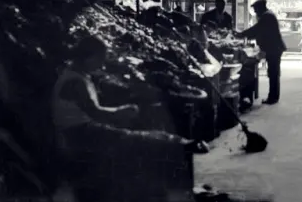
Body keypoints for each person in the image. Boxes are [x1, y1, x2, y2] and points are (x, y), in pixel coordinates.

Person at [52, 37, 208, 202]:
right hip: (79, 134)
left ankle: (180, 146)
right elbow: (96, 113)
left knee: (139, 133)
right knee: (138, 139)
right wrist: (121, 111)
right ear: (89, 57)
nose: (102, 64)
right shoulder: (75, 82)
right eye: (100, 59)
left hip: (84, 129)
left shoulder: (78, 74)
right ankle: (181, 145)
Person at [237, 0, 287, 105]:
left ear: (261, 7)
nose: (255, 12)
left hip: (274, 49)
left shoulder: (267, 16)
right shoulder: (267, 15)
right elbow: (259, 32)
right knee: (273, 73)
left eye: (255, 9)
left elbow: (256, 30)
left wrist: (241, 34)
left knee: (273, 73)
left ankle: (273, 98)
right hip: (274, 48)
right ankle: (273, 96)